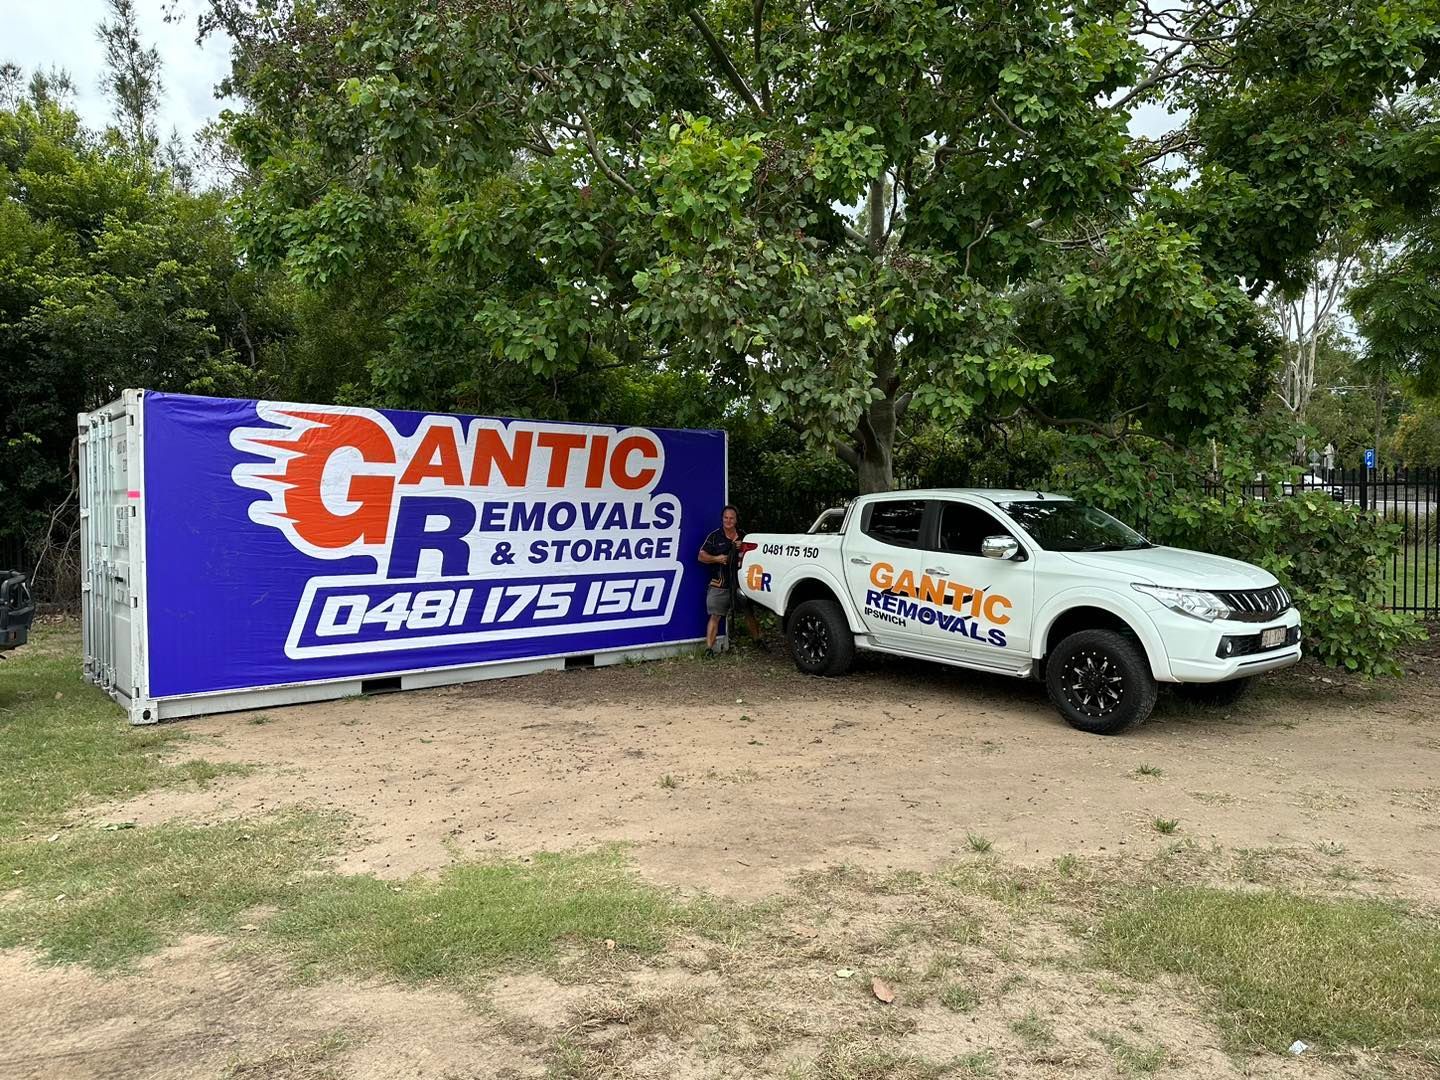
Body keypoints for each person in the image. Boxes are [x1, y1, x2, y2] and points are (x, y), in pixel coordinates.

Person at [698, 504, 763, 654]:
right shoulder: (714, 536)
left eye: (731, 518)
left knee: (749, 612)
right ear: (722, 519)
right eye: (725, 518)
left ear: (736, 520)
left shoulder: (743, 536)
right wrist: (716, 558)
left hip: (741, 584)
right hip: (719, 584)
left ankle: (758, 640)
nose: (728, 521)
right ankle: (709, 649)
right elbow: (701, 556)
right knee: (715, 616)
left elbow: (755, 554)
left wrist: (743, 547)